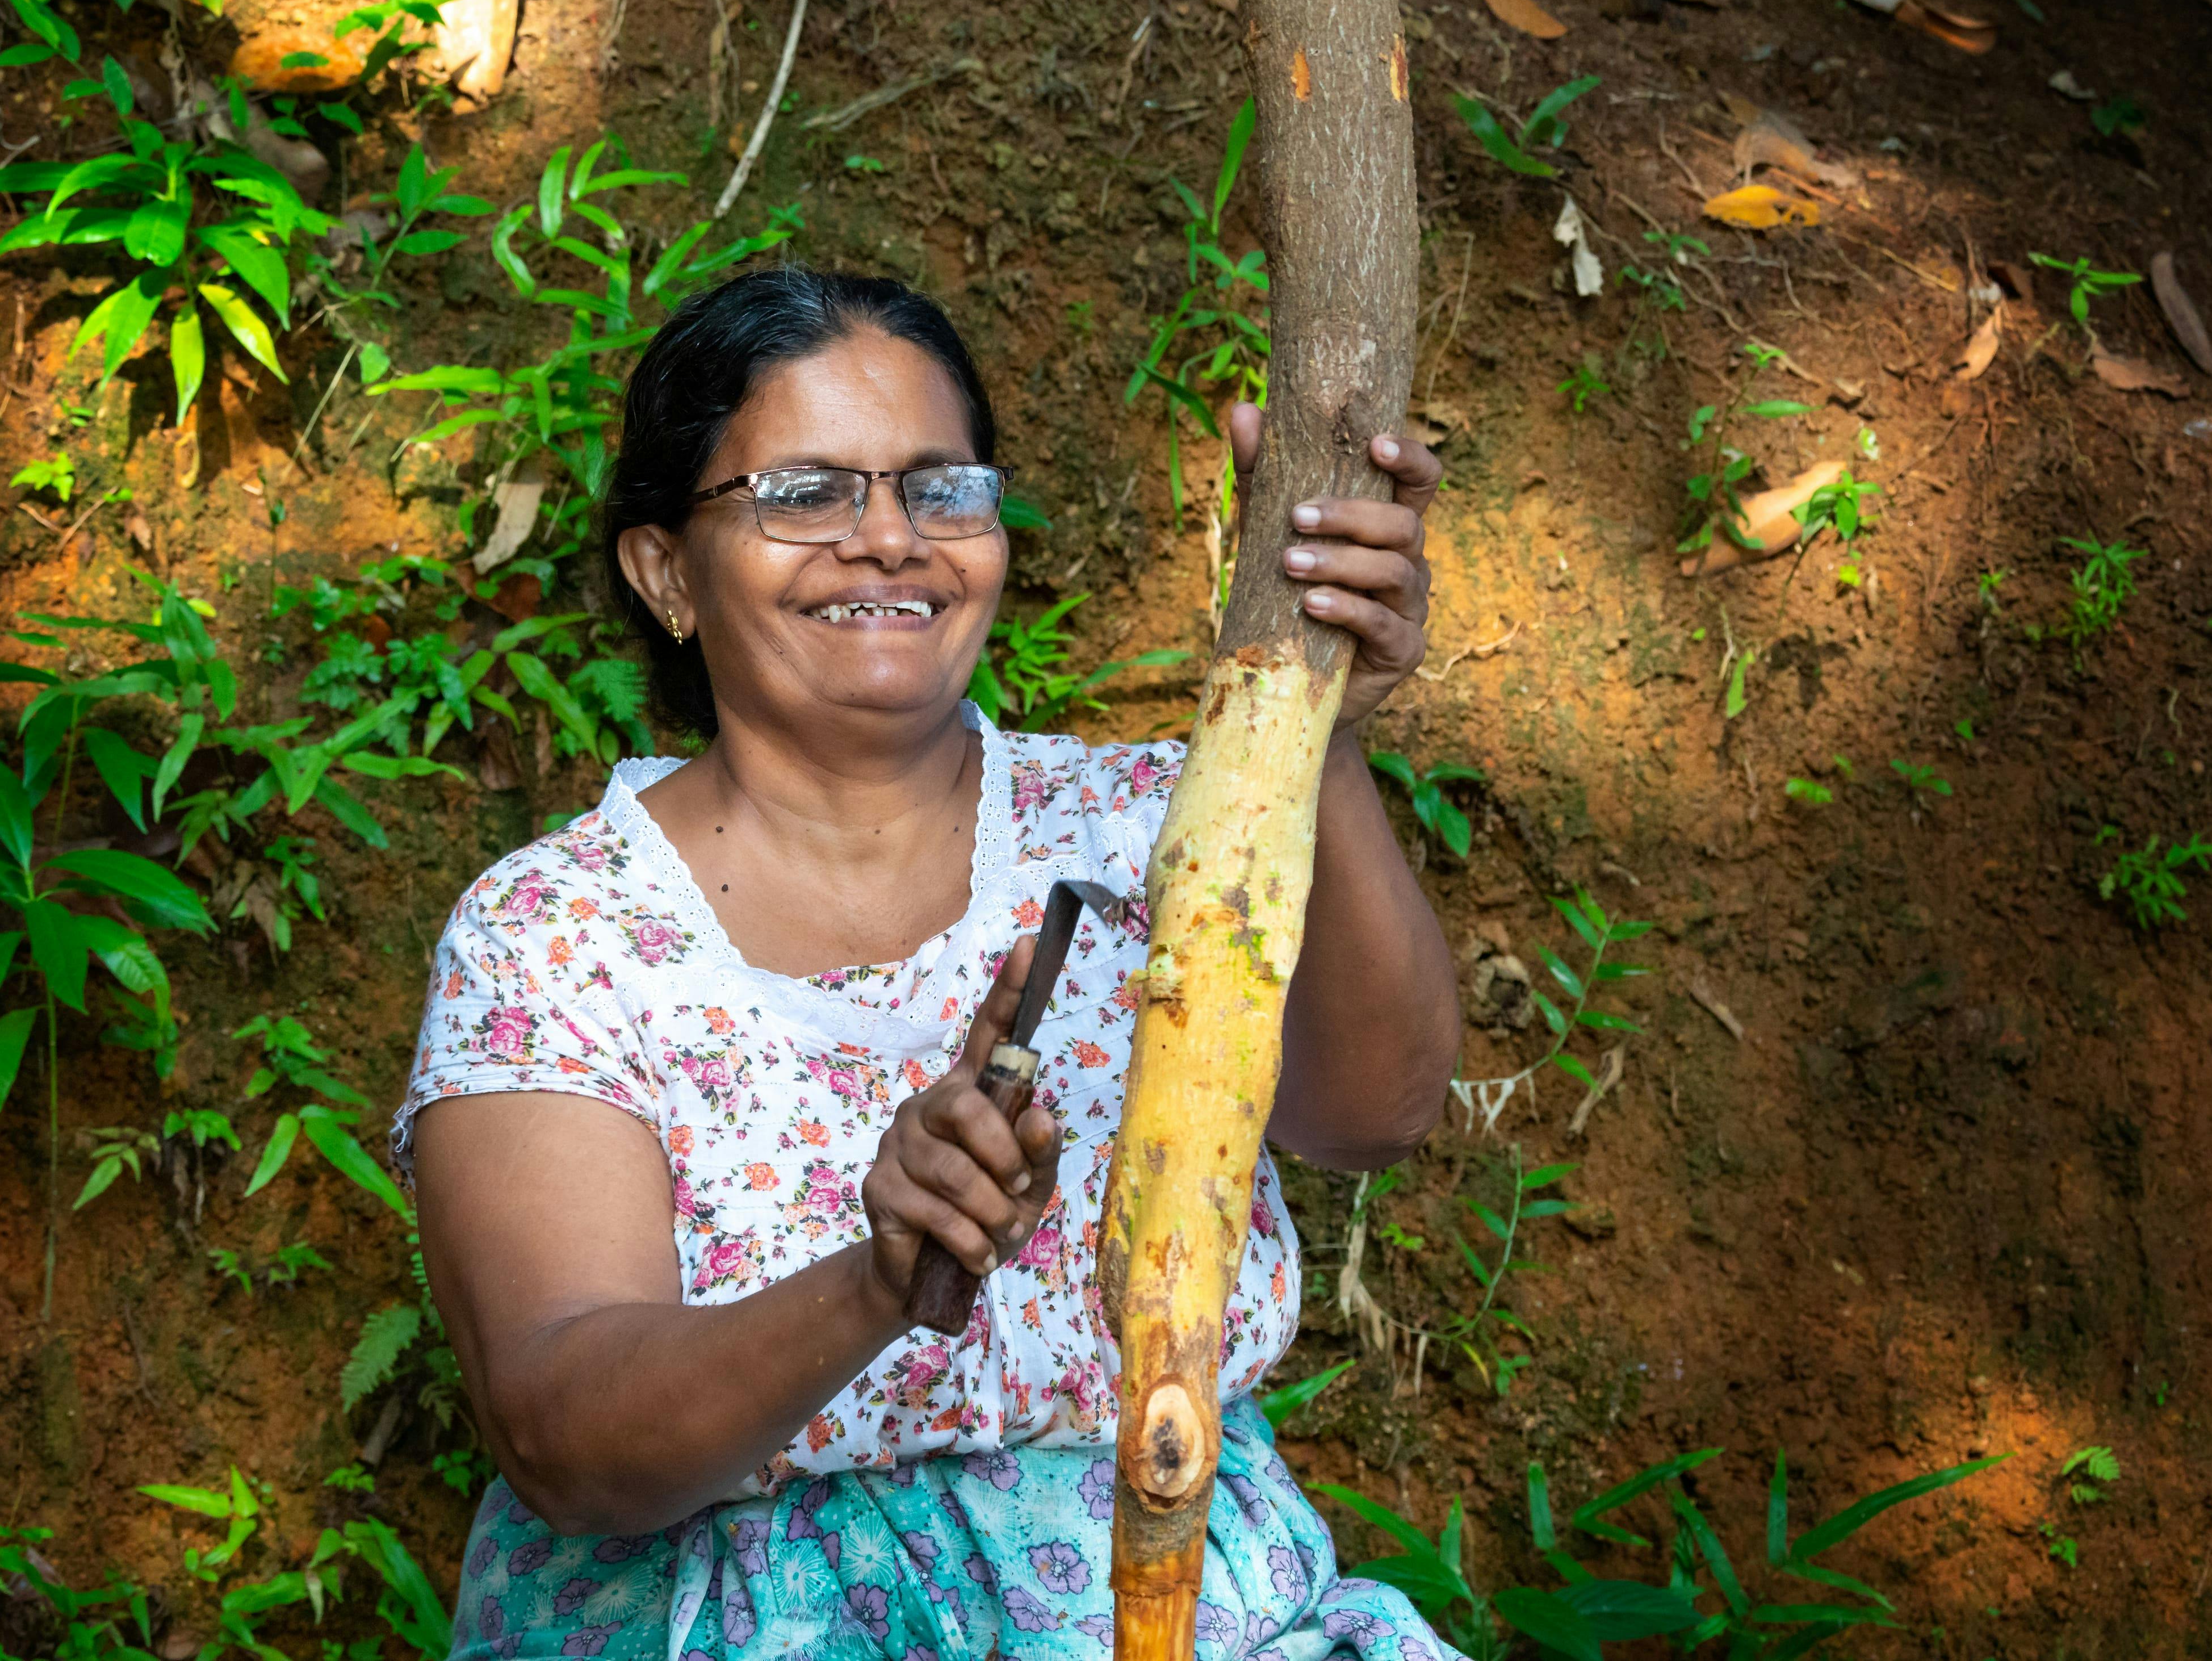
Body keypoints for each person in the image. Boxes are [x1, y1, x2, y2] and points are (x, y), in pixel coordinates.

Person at [400, 267, 1466, 1660]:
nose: (889, 538)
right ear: (664, 568)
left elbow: (1370, 1113)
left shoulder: (1164, 821)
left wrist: (1303, 701)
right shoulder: (558, 931)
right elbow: (565, 1433)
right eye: (806, 493)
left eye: (939, 489)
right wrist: (878, 1280)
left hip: (1185, 1609)